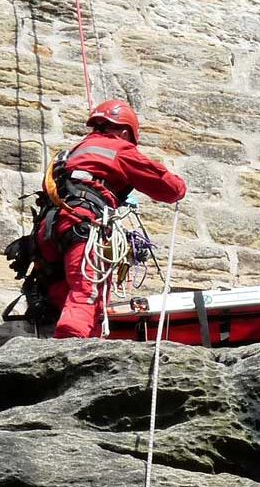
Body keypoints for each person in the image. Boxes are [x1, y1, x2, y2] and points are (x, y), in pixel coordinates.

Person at [36, 99, 186, 339]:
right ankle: (71, 348)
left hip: (50, 230)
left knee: (66, 294)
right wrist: (179, 187)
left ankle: (86, 340)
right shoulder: (119, 148)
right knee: (88, 289)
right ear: (125, 131)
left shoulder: (73, 152)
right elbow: (168, 187)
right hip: (83, 222)